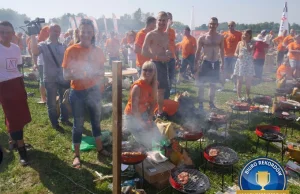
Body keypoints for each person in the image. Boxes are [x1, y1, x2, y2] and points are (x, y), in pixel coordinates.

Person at [62, 19, 110, 168]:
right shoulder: (71, 50)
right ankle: (77, 155)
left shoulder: (98, 51)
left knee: (96, 121)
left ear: (93, 33)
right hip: (77, 92)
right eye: (83, 32)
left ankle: (100, 148)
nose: (86, 35)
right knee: (78, 124)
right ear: (79, 33)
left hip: (94, 91)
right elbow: (65, 75)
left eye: (89, 32)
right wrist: (82, 74)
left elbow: (102, 71)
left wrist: (97, 74)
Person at [0, 21, 31, 166]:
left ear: (13, 33)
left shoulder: (16, 48)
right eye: (2, 32)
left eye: (8, 32)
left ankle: (13, 140)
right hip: (4, 86)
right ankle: (21, 148)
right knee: (13, 117)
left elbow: (17, 66)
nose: (5, 35)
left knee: (19, 115)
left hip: (17, 83)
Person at [31, 24, 71, 130]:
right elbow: (35, 52)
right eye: (54, 31)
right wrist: (33, 36)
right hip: (50, 78)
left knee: (65, 100)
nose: (56, 33)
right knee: (52, 102)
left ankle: (64, 119)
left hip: (62, 77)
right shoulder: (43, 45)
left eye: (58, 31)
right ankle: (54, 123)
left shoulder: (63, 45)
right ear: (49, 31)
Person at [124, 61, 162, 148]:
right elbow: (134, 109)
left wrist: (150, 117)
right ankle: (131, 141)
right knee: (146, 143)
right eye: (145, 70)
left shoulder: (154, 84)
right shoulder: (137, 86)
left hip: (143, 113)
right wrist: (142, 123)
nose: (147, 72)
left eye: (150, 70)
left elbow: (153, 101)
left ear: (154, 72)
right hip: (132, 116)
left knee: (158, 137)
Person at [142, 11, 171, 119]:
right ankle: (147, 113)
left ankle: (159, 112)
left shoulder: (165, 35)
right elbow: (144, 51)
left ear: (167, 22)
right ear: (156, 21)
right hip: (153, 65)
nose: (162, 23)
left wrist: (167, 52)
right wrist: (158, 57)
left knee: (161, 91)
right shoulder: (151, 34)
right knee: (151, 91)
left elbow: (165, 48)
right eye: (160, 20)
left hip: (163, 65)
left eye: (164, 20)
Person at [195, 17, 224, 110]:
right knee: (202, 84)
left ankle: (211, 104)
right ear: (208, 25)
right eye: (211, 23)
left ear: (217, 25)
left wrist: (222, 62)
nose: (212, 25)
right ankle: (200, 104)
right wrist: (196, 63)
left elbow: (222, 50)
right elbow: (198, 52)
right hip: (205, 62)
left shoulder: (220, 37)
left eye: (214, 24)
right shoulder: (202, 37)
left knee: (213, 84)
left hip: (215, 63)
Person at [233, 29, 255, 102]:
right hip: (241, 63)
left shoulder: (252, 42)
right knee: (239, 81)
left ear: (250, 36)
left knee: (248, 81)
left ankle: (247, 96)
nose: (244, 36)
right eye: (243, 34)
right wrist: (238, 55)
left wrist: (245, 41)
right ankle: (239, 97)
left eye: (246, 35)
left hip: (249, 63)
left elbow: (249, 50)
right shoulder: (239, 43)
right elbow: (235, 53)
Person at [220, 21, 242, 92]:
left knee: (235, 72)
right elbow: (220, 44)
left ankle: (235, 86)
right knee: (223, 71)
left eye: (232, 25)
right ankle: (222, 86)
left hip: (234, 56)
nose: (230, 27)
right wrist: (222, 38)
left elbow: (241, 44)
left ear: (234, 26)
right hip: (226, 56)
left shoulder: (239, 34)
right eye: (229, 25)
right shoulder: (225, 34)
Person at [165, 12, 178, 99]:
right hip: (164, 58)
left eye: (170, 19)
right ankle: (164, 96)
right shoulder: (161, 30)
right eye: (168, 19)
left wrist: (177, 57)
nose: (169, 21)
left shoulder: (173, 31)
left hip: (172, 58)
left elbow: (173, 44)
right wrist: (167, 26)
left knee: (171, 77)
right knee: (164, 78)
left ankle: (168, 94)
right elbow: (164, 36)